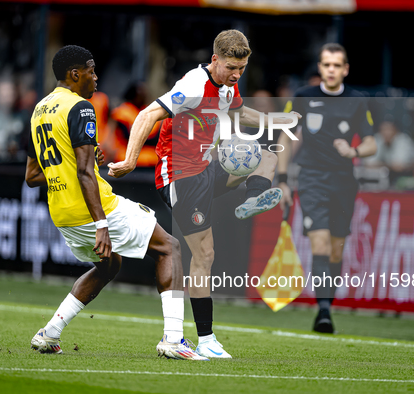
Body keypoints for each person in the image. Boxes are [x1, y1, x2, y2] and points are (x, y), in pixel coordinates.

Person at [108, 30, 298, 358]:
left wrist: (273, 120)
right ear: (214, 60)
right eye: (230, 68)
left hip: (206, 169)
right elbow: (147, 114)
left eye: (241, 69)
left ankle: (253, 198)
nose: (236, 75)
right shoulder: (193, 86)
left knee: (266, 155)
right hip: (180, 177)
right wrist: (129, 159)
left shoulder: (228, 85)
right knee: (205, 254)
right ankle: (206, 340)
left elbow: (238, 113)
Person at [26, 45, 206, 361]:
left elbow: (32, 175)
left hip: (62, 212)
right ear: (74, 74)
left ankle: (49, 333)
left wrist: (78, 164)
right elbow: (83, 171)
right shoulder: (80, 108)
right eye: (92, 71)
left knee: (110, 264)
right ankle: (174, 340)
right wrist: (101, 224)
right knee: (169, 247)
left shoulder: (39, 110)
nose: (96, 78)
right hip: (92, 209)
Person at [277, 43, 377, 334]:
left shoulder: (358, 101)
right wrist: (283, 179)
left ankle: (326, 304)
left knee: (335, 251)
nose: (331, 69)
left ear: (345, 69)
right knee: (319, 242)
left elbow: (372, 144)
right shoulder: (302, 97)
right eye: (326, 64)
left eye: (336, 65)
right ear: (320, 68)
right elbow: (285, 137)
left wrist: (353, 150)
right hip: (311, 179)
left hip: (344, 182)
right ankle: (323, 312)